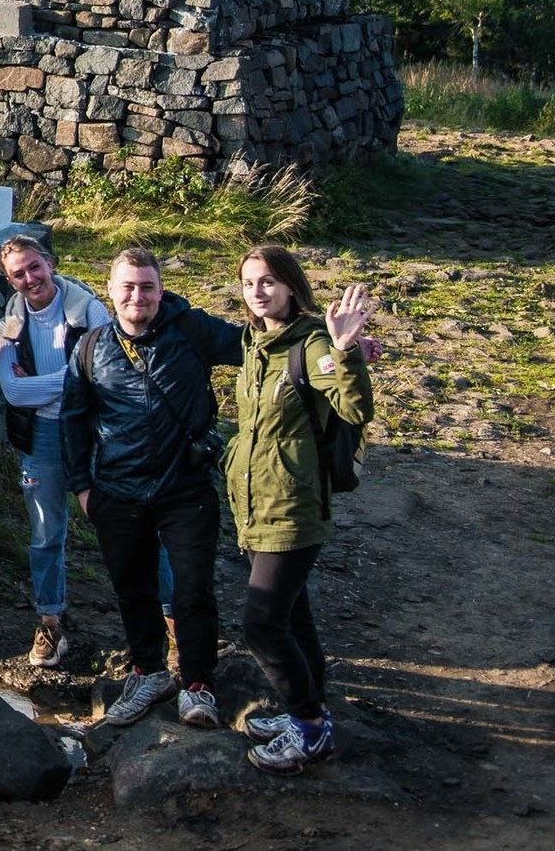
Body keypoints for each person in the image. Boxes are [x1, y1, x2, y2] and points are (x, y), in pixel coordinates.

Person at [61, 246, 245, 730]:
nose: (137, 296)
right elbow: (74, 418)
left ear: (161, 290)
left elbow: (259, 346)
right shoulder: (91, 347)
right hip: (117, 490)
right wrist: (82, 486)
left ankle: (199, 683)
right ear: (110, 291)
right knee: (132, 589)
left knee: (192, 591)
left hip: (186, 488)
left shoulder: (193, 330)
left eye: (147, 287)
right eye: (128, 287)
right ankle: (147, 672)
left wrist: (332, 346)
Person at [226, 246, 375, 774]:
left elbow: (354, 407)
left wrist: (346, 350)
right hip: (254, 502)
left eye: (268, 281)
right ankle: (312, 711)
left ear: (291, 286)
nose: (258, 291)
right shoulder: (255, 341)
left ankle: (309, 727)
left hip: (291, 506)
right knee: (293, 615)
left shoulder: (311, 346)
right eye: (249, 283)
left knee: (263, 624)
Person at [0, 235, 112, 668]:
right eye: (17, 275)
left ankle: (163, 622)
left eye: (34, 268)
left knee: (124, 522)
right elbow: (12, 389)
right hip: (41, 435)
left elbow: (103, 375)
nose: (29, 279)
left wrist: (45, 385)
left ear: (50, 263)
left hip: (91, 431)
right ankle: (50, 622)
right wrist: (70, 378)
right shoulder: (8, 326)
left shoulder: (89, 311)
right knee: (45, 532)